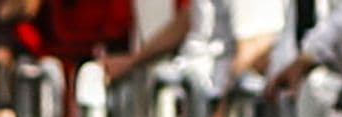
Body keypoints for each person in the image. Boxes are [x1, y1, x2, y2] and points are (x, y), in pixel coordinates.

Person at [103, 0, 284, 91]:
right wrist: (133, 61)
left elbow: (255, 50)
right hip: (190, 100)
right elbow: (195, 18)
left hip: (214, 101)